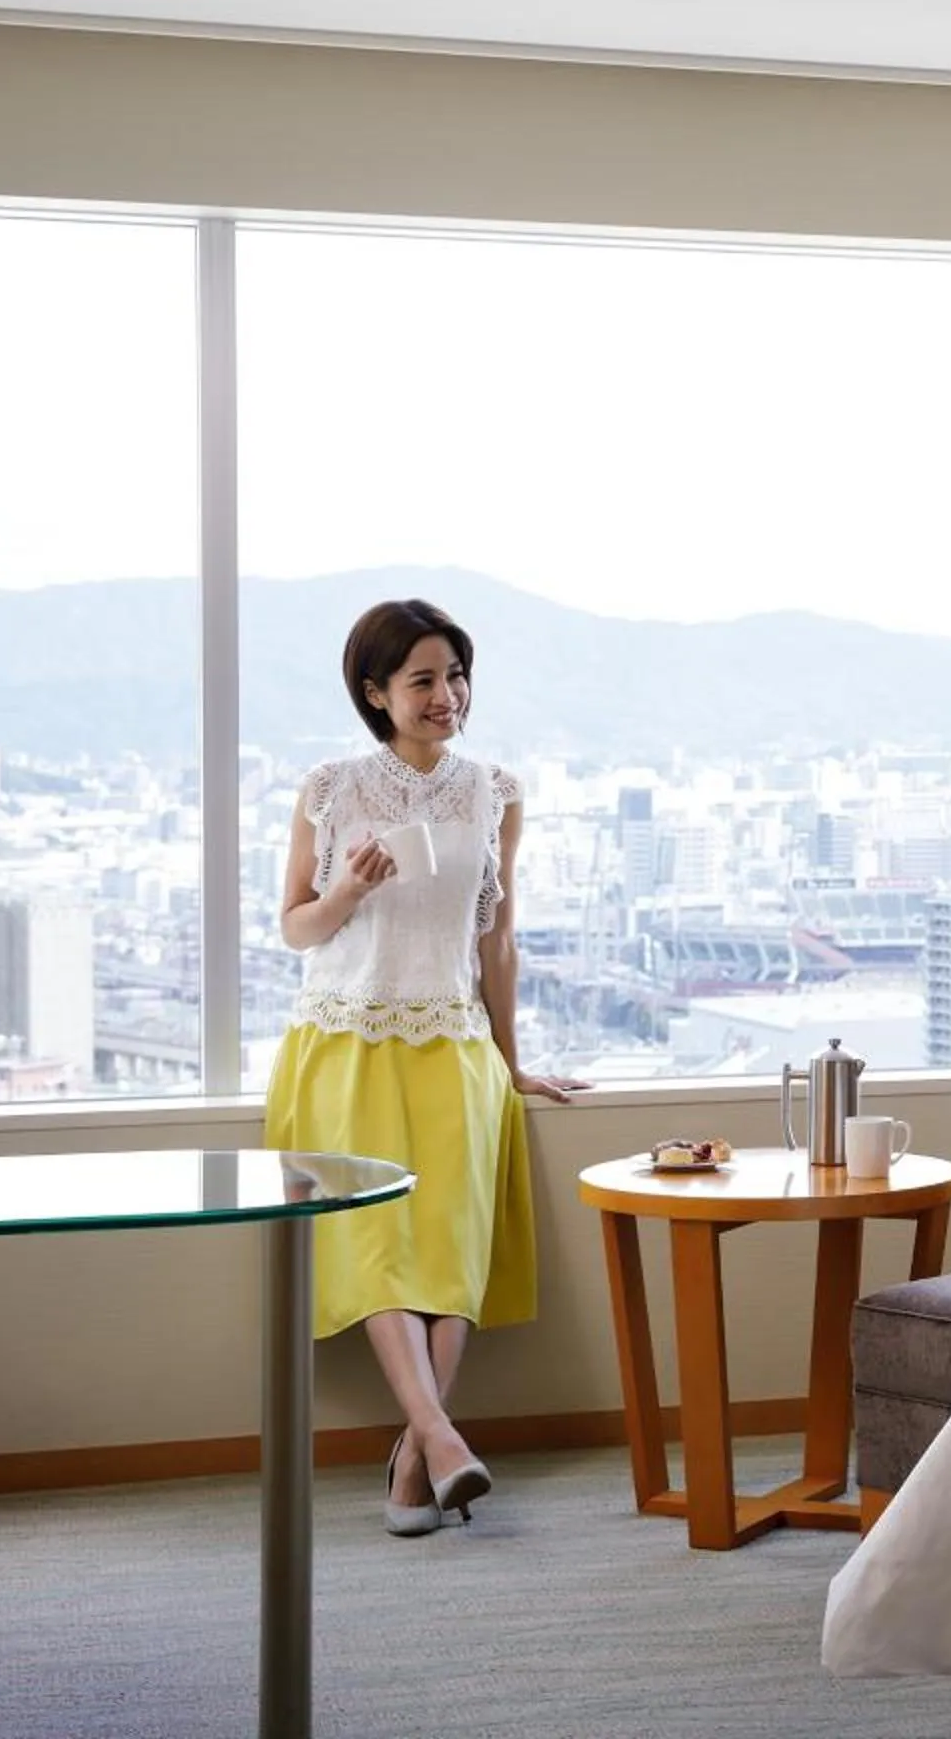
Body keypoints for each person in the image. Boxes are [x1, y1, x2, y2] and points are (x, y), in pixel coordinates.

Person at [264, 598, 588, 1536]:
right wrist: (348, 888)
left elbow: (499, 940)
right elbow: (295, 929)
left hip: (453, 1048)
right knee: (378, 1257)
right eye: (423, 680)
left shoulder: (496, 789)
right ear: (376, 693)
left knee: (447, 1259)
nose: (448, 696)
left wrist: (511, 1062)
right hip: (343, 1048)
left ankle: (419, 1455)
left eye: (456, 676)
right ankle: (441, 1443)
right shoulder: (331, 787)